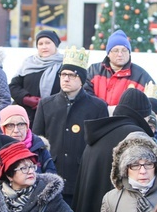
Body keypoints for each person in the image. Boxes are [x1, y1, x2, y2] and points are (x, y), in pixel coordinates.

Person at [33, 46, 108, 203]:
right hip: (52, 175)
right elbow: (37, 141)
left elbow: (101, 145)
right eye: (63, 74)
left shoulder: (98, 107)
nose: (66, 79)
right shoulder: (46, 104)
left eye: (71, 75)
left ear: (81, 78)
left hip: (82, 176)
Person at [85, 29, 154, 109]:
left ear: (129, 53)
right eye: (115, 50)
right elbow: (84, 93)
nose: (120, 54)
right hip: (95, 117)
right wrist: (103, 108)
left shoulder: (141, 76)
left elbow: (151, 101)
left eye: (124, 50)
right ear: (108, 53)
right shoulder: (94, 70)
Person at [8, 29, 63, 125]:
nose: (44, 47)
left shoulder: (64, 66)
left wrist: (47, 103)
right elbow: (13, 86)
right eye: (40, 44)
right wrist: (26, 99)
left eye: (48, 43)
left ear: (55, 45)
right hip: (27, 118)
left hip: (53, 117)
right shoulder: (29, 63)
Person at [0, 104, 55, 174]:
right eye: (10, 125)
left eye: (21, 124)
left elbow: (51, 177)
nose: (16, 130)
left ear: (27, 126)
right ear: (3, 128)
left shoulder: (40, 148)